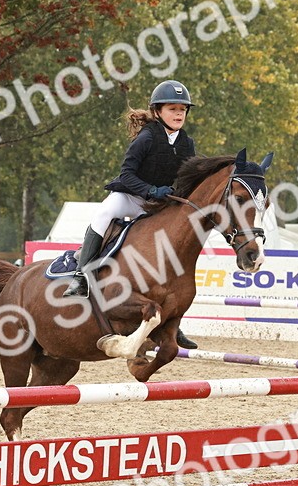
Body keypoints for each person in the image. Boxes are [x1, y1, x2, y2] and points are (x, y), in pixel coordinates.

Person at [64, 79, 200, 349]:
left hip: (160, 204)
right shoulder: (147, 137)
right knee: (103, 213)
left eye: (183, 109)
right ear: (158, 111)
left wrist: (175, 194)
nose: (179, 114)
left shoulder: (187, 143)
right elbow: (127, 174)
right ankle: (81, 276)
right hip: (130, 197)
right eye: (173, 108)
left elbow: (188, 177)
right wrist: (151, 190)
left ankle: (174, 322)